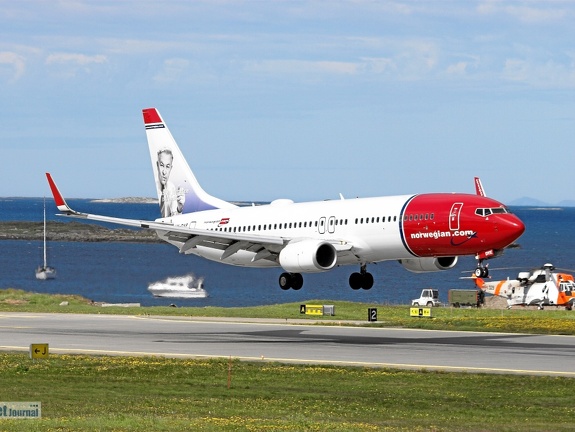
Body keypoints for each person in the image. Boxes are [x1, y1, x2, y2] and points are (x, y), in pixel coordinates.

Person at [157, 148, 185, 217]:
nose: (164, 172)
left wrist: (179, 208)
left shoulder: (171, 187)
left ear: (171, 168)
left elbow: (174, 216)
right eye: (161, 165)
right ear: (157, 165)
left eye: (167, 167)